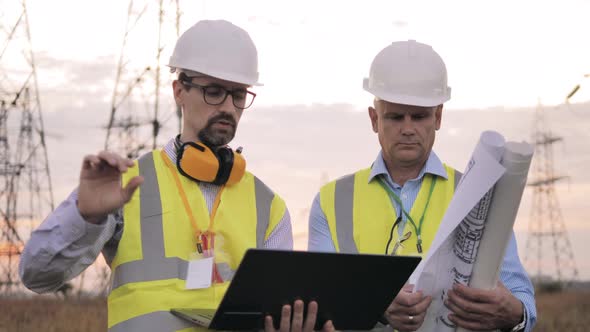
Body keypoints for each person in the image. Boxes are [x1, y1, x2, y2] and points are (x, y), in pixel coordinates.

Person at [20, 20, 332, 332]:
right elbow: (37, 275)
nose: (228, 107)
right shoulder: (123, 184)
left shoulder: (269, 207)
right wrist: (85, 217)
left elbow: (276, 312)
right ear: (179, 91)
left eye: (238, 95)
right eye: (213, 92)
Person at [308, 40, 536, 332]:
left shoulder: (479, 194)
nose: (407, 128)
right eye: (394, 116)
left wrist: (515, 315)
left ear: (438, 117)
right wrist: (375, 304)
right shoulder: (332, 200)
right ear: (374, 118)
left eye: (419, 116)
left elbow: (521, 300)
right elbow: (319, 300)